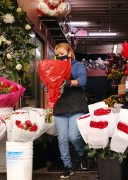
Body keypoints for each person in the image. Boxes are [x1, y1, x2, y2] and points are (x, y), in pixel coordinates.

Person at [53, 43, 89, 179]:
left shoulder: (78, 66)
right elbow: (47, 81)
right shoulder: (54, 67)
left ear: (69, 53)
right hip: (60, 105)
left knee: (73, 136)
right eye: (57, 55)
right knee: (62, 138)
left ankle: (82, 155)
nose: (59, 57)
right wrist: (47, 87)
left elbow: (83, 80)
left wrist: (69, 82)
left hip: (76, 105)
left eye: (62, 54)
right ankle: (67, 166)